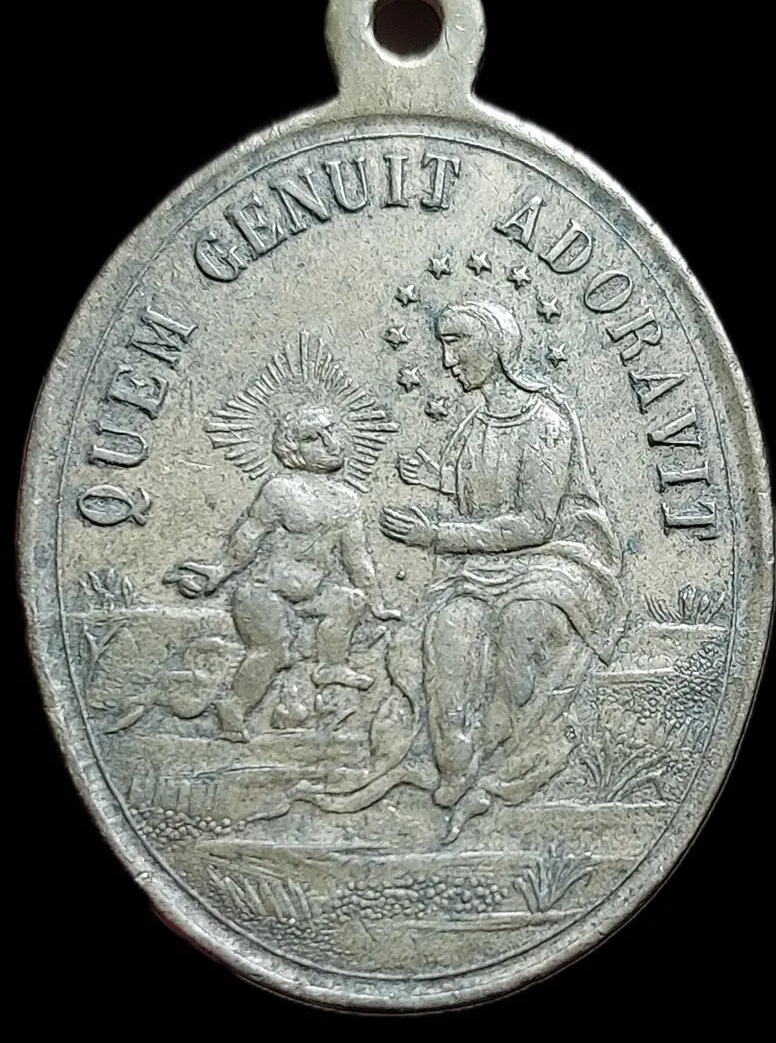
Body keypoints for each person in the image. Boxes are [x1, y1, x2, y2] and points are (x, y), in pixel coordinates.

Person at [380, 301, 625, 840]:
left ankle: (513, 762)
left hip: (558, 562)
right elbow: (488, 493)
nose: (447, 361)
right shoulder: (475, 425)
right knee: (450, 627)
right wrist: (437, 482)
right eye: (443, 345)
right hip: (488, 566)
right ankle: (457, 763)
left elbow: (535, 522)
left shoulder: (546, 422)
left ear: (495, 346)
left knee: (521, 623)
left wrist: (436, 534)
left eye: (456, 344)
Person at [166, 404, 400, 741]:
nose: (330, 443)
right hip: (264, 593)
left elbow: (357, 557)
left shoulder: (347, 500)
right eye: (314, 438)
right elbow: (249, 534)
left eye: (331, 432)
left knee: (350, 601)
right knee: (272, 651)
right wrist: (219, 571)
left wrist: (377, 603)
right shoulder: (281, 490)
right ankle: (233, 708)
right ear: (293, 449)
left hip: (311, 593)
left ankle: (331, 665)